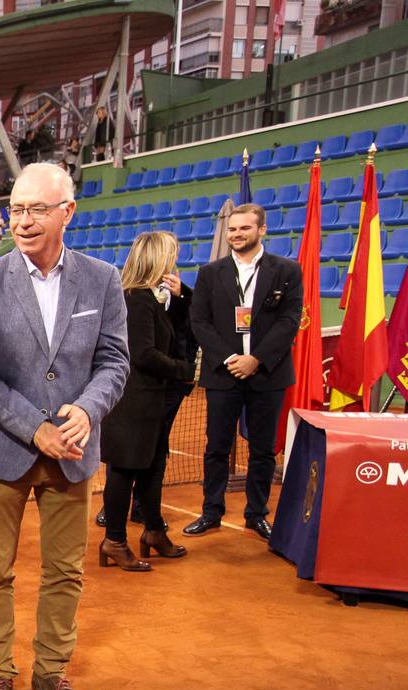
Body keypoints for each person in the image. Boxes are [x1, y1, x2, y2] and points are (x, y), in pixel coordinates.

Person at [0, 162, 129, 690]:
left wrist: (86, 408)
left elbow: (114, 361)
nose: (23, 220)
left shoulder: (103, 280)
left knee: (65, 571)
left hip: (74, 452)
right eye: (16, 209)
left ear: (67, 212)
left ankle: (51, 671)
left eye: (36, 209)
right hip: (6, 450)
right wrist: (35, 428)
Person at [183, 203, 303, 541]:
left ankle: (256, 514)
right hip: (223, 374)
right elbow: (199, 321)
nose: (237, 234)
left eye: (244, 229)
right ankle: (211, 512)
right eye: (233, 229)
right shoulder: (210, 273)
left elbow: (289, 321)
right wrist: (229, 358)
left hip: (269, 374)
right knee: (216, 446)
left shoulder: (287, 271)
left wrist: (257, 359)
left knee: (263, 449)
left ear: (262, 230)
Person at [99, 232, 196, 571]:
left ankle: (153, 532)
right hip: (131, 402)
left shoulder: (151, 299)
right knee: (124, 471)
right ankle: (113, 540)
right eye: (171, 255)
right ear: (158, 259)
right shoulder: (136, 300)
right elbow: (143, 354)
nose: (174, 262)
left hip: (150, 401)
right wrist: (183, 370)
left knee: (154, 468)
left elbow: (175, 333)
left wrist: (181, 299)